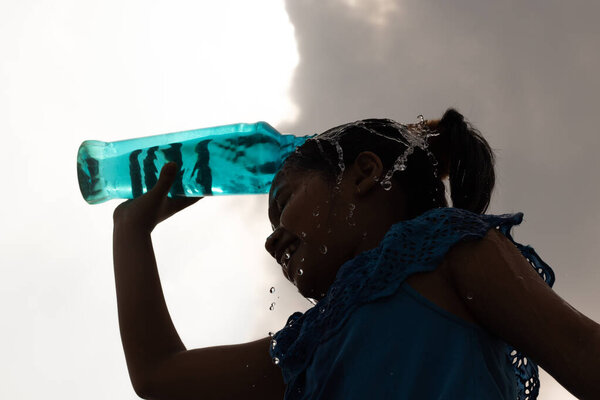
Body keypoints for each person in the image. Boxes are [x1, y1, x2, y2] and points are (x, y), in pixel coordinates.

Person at [111, 108, 600, 400]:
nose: (272, 238)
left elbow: (583, 352)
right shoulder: (310, 345)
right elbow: (160, 374)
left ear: (365, 174)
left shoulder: (449, 248)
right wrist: (131, 231)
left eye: (284, 205)